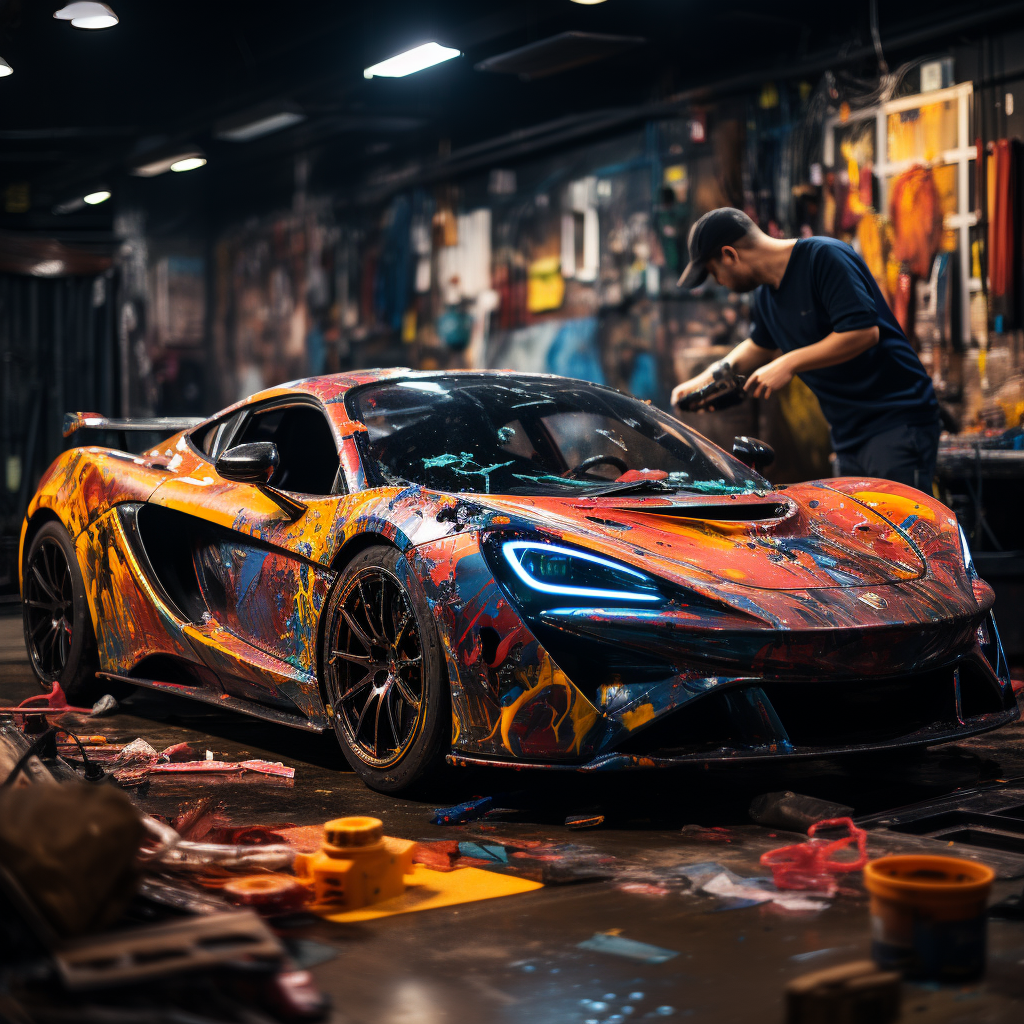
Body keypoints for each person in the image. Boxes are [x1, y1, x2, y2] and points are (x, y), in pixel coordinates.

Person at [670, 208, 942, 490]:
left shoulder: (824, 257)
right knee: (861, 532)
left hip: (896, 421)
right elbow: (759, 346)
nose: (720, 282)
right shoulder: (766, 295)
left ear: (730, 254)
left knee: (899, 529)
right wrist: (702, 380)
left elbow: (863, 332)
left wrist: (789, 363)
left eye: (715, 272)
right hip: (847, 433)